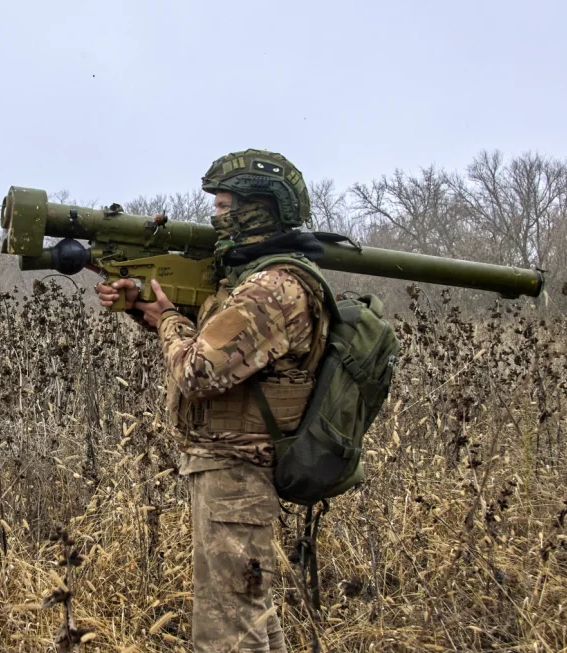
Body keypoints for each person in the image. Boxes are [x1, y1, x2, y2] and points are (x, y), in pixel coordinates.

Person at [96, 150, 329, 652]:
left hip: (239, 473)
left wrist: (166, 323)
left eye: (224, 205)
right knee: (250, 620)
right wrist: (148, 312)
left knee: (228, 633)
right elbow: (215, 349)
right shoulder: (255, 280)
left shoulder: (271, 288)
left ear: (259, 208)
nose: (215, 216)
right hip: (228, 470)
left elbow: (198, 370)